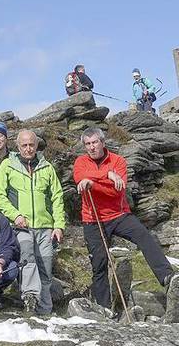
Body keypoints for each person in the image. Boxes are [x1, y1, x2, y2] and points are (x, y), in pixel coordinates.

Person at [73, 127, 177, 310]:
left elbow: (115, 192)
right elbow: (79, 178)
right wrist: (107, 175)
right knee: (99, 263)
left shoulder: (118, 161)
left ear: (103, 143)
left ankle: (167, 276)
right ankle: (104, 308)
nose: (91, 147)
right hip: (93, 218)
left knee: (144, 236)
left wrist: (93, 181)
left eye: (95, 142)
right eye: (87, 144)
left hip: (119, 215)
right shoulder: (81, 161)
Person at [0, 129, 65, 314]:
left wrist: (58, 225)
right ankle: (30, 302)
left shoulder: (46, 167)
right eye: (24, 145)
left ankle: (45, 310)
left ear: (36, 145)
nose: (28, 149)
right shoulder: (7, 165)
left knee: (46, 268)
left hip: (45, 227)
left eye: (31, 145)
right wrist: (15, 215)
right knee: (28, 259)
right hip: (20, 227)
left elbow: (57, 197)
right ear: (17, 146)